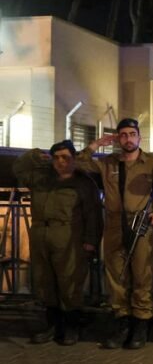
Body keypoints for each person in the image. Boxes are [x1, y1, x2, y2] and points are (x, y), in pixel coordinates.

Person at [78, 118, 153, 349]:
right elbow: (79, 163)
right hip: (114, 224)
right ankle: (122, 321)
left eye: (132, 134)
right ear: (117, 138)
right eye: (123, 135)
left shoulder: (152, 163)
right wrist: (96, 144)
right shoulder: (108, 163)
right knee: (116, 275)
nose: (128, 139)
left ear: (139, 137)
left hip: (141, 225)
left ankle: (141, 323)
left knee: (142, 274)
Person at [13, 141, 103, 345]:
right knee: (45, 282)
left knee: (69, 282)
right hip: (41, 235)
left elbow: (93, 215)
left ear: (74, 158)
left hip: (69, 236)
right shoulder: (42, 178)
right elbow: (18, 168)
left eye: (65, 157)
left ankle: (71, 327)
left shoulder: (83, 183)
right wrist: (35, 154)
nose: (61, 161)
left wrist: (90, 242)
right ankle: (52, 325)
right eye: (56, 157)